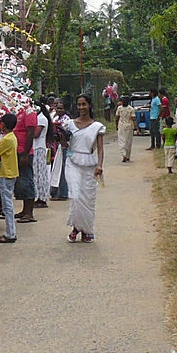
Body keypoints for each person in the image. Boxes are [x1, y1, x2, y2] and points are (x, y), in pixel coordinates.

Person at [66, 94, 105, 243]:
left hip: (90, 165)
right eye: (79, 105)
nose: (81, 108)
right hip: (72, 163)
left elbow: (100, 149)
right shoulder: (69, 124)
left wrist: (100, 165)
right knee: (76, 196)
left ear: (89, 106)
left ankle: (85, 230)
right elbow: (66, 145)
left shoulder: (97, 127)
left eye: (84, 104)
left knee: (87, 199)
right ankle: (76, 227)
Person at [0, 113, 19, 244]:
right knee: (8, 204)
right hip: (11, 172)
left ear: (4, 125)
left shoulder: (6, 139)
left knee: (7, 205)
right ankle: (10, 232)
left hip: (5, 173)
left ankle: (10, 233)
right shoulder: (12, 137)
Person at [12, 105, 38, 223]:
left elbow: (31, 133)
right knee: (20, 181)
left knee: (26, 180)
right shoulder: (18, 111)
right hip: (16, 151)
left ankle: (29, 213)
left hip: (24, 152)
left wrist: (25, 154)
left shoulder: (29, 112)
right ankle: (24, 210)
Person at [49, 98, 71, 200]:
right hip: (54, 147)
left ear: (65, 109)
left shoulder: (66, 120)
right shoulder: (54, 117)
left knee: (63, 170)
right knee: (55, 170)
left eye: (61, 108)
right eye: (57, 108)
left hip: (63, 147)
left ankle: (63, 193)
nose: (58, 110)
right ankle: (55, 192)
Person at [33, 100, 51, 208]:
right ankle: (38, 196)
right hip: (35, 148)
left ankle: (42, 197)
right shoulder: (37, 118)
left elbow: (36, 134)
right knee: (36, 173)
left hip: (39, 148)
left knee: (40, 174)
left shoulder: (42, 119)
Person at [115, 95, 136, 162]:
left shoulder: (119, 108)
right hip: (129, 127)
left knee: (122, 141)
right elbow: (134, 119)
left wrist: (116, 126)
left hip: (121, 126)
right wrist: (137, 128)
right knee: (128, 142)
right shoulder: (131, 109)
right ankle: (127, 156)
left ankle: (124, 155)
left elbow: (116, 118)